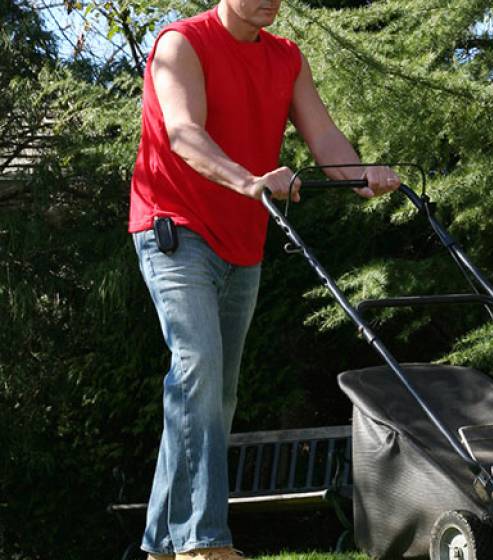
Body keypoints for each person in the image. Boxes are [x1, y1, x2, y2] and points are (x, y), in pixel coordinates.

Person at [128, 0, 400, 558]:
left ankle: (159, 544)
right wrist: (250, 181)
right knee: (197, 368)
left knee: (213, 394)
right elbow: (182, 134)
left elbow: (324, 138)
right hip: (173, 229)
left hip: (242, 240)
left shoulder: (286, 58)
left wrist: (361, 176)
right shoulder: (182, 44)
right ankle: (202, 541)